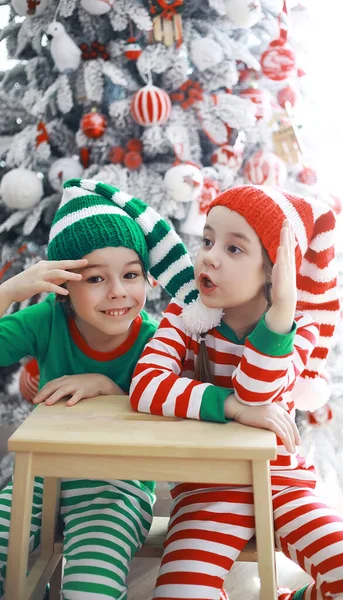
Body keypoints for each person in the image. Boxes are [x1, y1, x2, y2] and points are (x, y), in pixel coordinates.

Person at [130, 186, 343, 600]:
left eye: (234, 249)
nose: (209, 256)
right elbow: (146, 386)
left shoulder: (298, 329)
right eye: (208, 240)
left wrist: (281, 313)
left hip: (281, 483)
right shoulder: (186, 315)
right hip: (207, 489)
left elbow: (257, 391)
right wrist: (228, 406)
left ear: (273, 270)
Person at [0, 178, 200, 600]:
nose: (117, 292)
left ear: (148, 280)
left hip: (117, 488)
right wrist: (11, 290)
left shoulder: (157, 339)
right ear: (63, 286)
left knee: (88, 589)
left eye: (131, 274)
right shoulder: (46, 320)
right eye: (94, 279)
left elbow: (182, 410)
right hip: (40, 477)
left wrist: (109, 387)